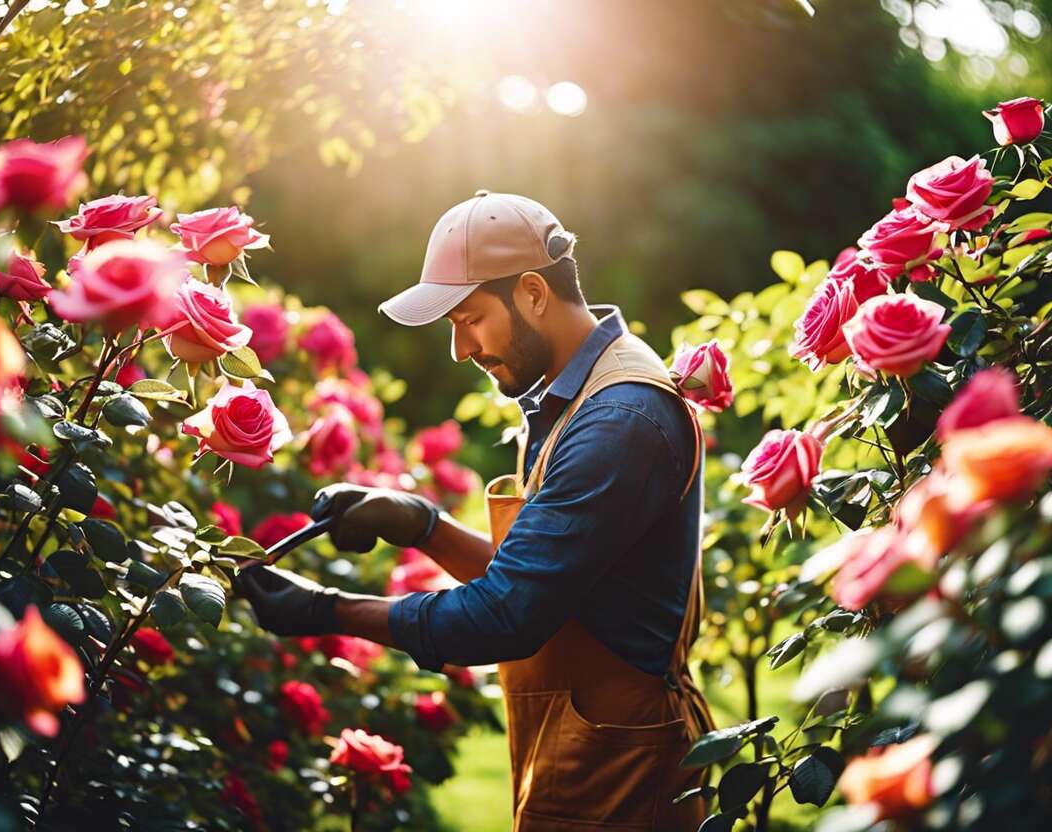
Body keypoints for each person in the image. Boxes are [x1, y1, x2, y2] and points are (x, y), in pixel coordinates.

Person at [237, 190, 716, 830]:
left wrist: (328, 611)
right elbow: (544, 581)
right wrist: (422, 524)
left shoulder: (617, 419)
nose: (461, 350)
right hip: (588, 745)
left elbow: (505, 616)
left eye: (469, 319)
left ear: (532, 293)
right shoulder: (581, 394)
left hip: (624, 767)